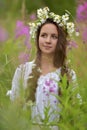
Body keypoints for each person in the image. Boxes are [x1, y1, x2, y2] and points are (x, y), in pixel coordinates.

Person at [7, 7, 82, 129]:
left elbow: (76, 111)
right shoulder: (22, 71)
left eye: (54, 36)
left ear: (60, 41)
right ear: (37, 38)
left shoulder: (69, 74)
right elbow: (13, 111)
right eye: (44, 35)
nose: (48, 40)